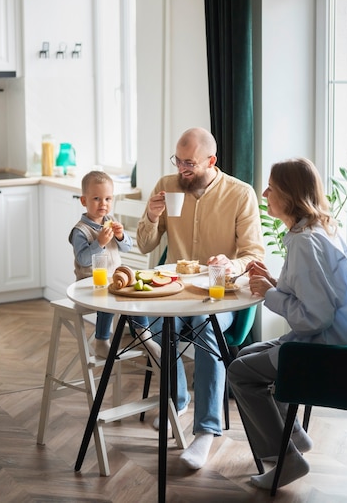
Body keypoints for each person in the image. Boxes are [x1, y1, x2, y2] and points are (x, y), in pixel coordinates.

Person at [227, 157, 347, 490]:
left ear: (288, 194)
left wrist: (270, 294)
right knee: (244, 358)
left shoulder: (305, 243)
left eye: (272, 187)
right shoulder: (314, 230)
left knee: (239, 373)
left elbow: (316, 317)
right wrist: (274, 282)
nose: (264, 192)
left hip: (335, 352)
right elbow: (312, 293)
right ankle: (292, 439)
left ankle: (287, 459)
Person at [137, 127, 265, 470]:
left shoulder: (240, 194)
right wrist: (151, 216)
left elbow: (253, 254)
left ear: (212, 160)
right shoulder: (167, 185)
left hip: (218, 292)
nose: (182, 169)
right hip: (173, 289)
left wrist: (229, 263)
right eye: (177, 161)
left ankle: (206, 431)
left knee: (205, 329)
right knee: (145, 324)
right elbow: (146, 246)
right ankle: (177, 399)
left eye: (189, 162)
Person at [69, 171, 134, 359]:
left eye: (107, 199)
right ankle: (102, 341)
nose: (103, 204)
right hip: (88, 283)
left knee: (135, 291)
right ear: (84, 201)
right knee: (107, 294)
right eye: (96, 199)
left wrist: (121, 236)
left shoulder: (111, 222)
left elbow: (127, 247)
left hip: (115, 279)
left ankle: (143, 333)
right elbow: (83, 259)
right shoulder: (80, 231)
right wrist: (100, 243)